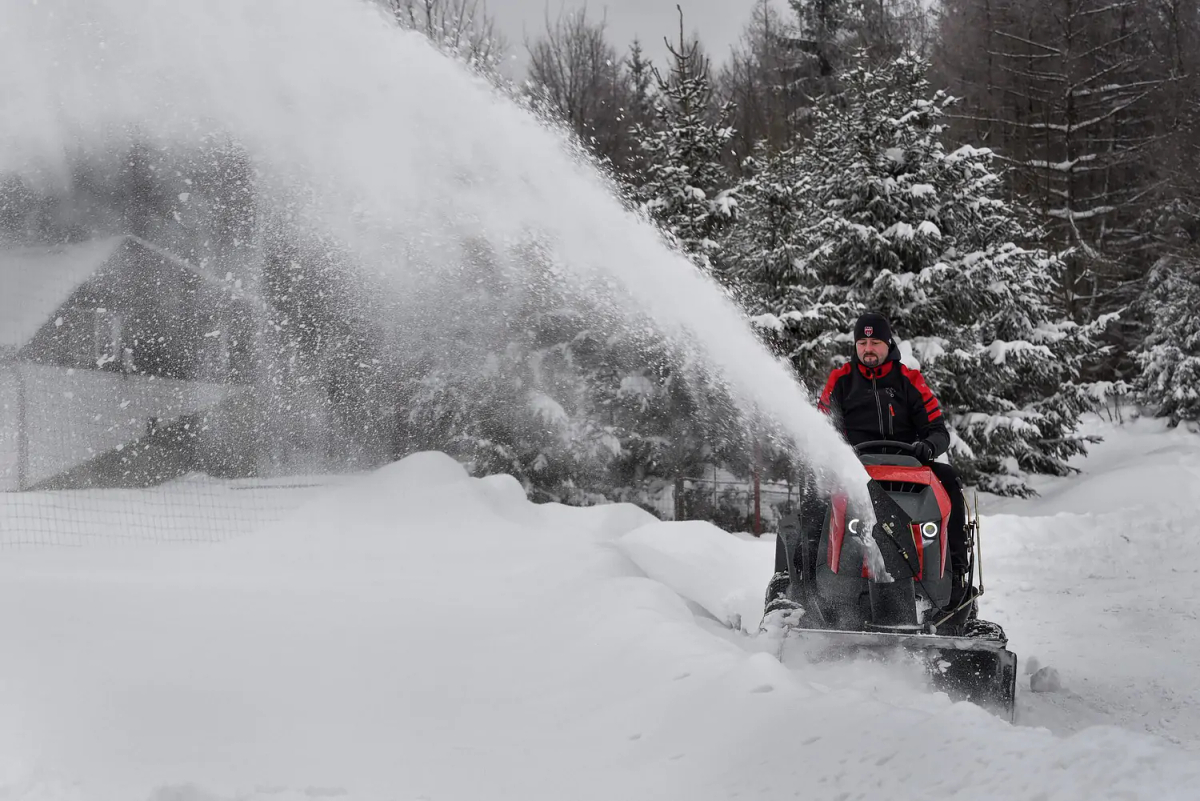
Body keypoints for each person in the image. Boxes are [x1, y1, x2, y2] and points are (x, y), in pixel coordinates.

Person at [767, 311, 972, 627]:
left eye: (875, 342)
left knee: (948, 481)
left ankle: (955, 574)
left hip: (907, 467)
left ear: (888, 344)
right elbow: (822, 426)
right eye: (862, 343)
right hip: (854, 469)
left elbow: (937, 430)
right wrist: (834, 451)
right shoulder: (842, 381)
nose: (868, 349)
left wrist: (928, 446)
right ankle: (808, 579)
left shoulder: (909, 381)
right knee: (815, 484)